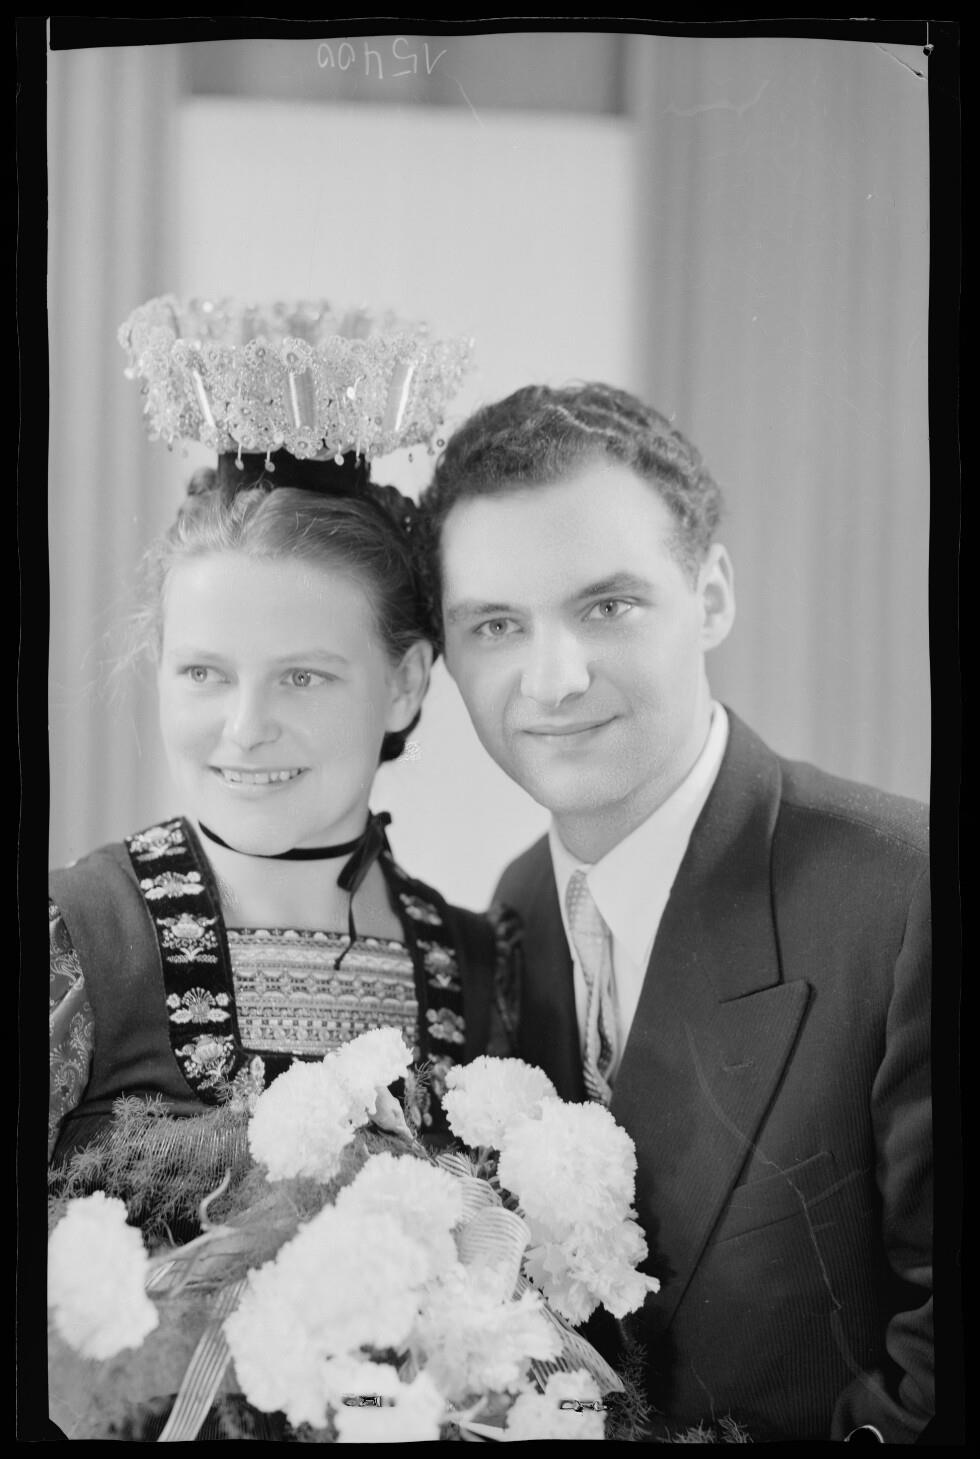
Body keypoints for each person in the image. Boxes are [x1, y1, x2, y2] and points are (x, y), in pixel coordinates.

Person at [420, 381, 932, 1444]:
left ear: (711, 596)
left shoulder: (905, 895)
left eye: (606, 606)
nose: (553, 680)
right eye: (497, 625)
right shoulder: (516, 908)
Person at [49, 298, 515, 1179]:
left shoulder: (481, 972)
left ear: (406, 683)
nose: (245, 728)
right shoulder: (78, 938)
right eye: (204, 672)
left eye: (302, 677)